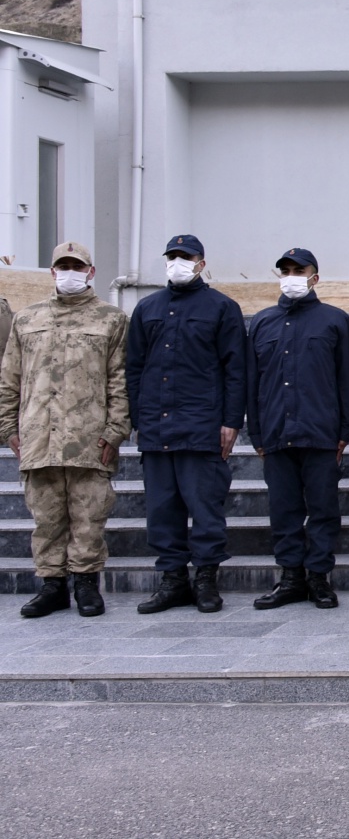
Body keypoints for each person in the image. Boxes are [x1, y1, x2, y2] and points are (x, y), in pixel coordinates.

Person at [1, 242, 130, 619]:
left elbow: (119, 380)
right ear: (53, 272)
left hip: (90, 438)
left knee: (90, 515)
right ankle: (52, 586)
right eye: (63, 266)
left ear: (90, 272)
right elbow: (10, 378)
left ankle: (86, 583)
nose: (69, 272)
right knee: (46, 517)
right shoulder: (26, 319)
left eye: (77, 266)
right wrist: (8, 426)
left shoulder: (112, 319)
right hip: (39, 436)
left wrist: (116, 429)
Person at [125, 234, 247, 615]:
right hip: (157, 430)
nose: (178, 262)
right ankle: (173, 580)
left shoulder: (222, 308)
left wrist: (231, 421)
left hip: (202, 427)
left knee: (206, 508)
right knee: (162, 510)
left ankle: (206, 579)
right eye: (172, 256)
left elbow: (236, 370)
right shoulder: (147, 308)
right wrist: (137, 418)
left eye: (186, 256)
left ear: (201, 262)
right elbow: (134, 369)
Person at [245, 247, 349, 610]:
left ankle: (319, 578)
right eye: (286, 270)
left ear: (314, 277)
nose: (292, 275)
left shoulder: (335, 320)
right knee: (284, 509)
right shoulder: (262, 322)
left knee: (323, 508)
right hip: (277, 432)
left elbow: (347, 379)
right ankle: (291, 577)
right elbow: (252, 383)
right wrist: (257, 434)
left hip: (321, 432)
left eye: (299, 269)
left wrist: (344, 430)